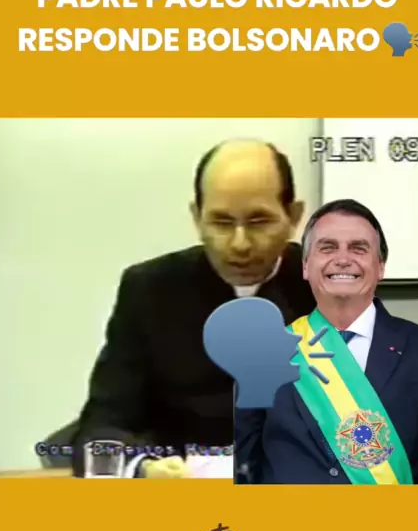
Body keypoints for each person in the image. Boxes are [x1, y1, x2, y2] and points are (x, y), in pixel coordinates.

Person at [70, 138, 316, 477]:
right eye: (221, 223)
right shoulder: (150, 290)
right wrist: (142, 469)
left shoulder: (331, 291)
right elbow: (101, 426)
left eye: (259, 221)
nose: (240, 244)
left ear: (294, 216)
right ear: (197, 218)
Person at [234, 199, 418, 485]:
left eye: (358, 248)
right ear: (305, 266)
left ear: (380, 267)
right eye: (327, 247)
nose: (342, 259)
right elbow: (242, 469)